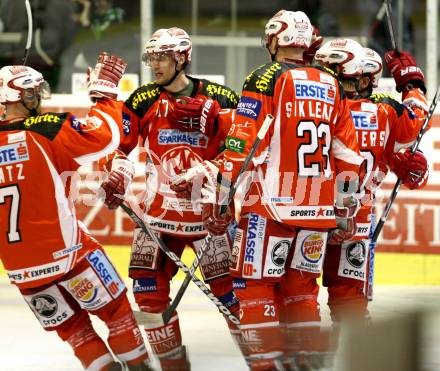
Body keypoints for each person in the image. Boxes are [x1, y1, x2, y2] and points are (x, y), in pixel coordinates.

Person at [191, 9, 364, 370]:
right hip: (318, 210)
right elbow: (348, 153)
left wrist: (220, 197)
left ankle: (266, 365)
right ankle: (307, 365)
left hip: (272, 205)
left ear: (275, 40)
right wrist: (345, 208)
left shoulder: (265, 76)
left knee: (253, 286)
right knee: (301, 290)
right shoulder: (330, 82)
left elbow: (242, 142)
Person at [97, 27, 246, 370]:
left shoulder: (222, 98)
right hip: (157, 219)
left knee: (235, 298)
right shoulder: (142, 99)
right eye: (150, 58)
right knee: (148, 298)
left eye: (162, 57)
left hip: (210, 218)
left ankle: (262, 361)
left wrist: (219, 186)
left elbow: (242, 151)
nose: (154, 65)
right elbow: (119, 148)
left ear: (182, 57)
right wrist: (117, 173)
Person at [0, 56, 154, 371]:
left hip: (20, 268)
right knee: (117, 314)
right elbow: (106, 134)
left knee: (75, 331)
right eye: (31, 94)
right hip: (68, 252)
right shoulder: (44, 128)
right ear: (19, 99)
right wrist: (103, 93)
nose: (38, 99)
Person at [314, 39, 429, 354]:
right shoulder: (383, 110)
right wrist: (413, 84)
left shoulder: (313, 106)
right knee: (350, 303)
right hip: (357, 219)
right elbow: (416, 129)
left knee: (298, 298)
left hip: (306, 214)